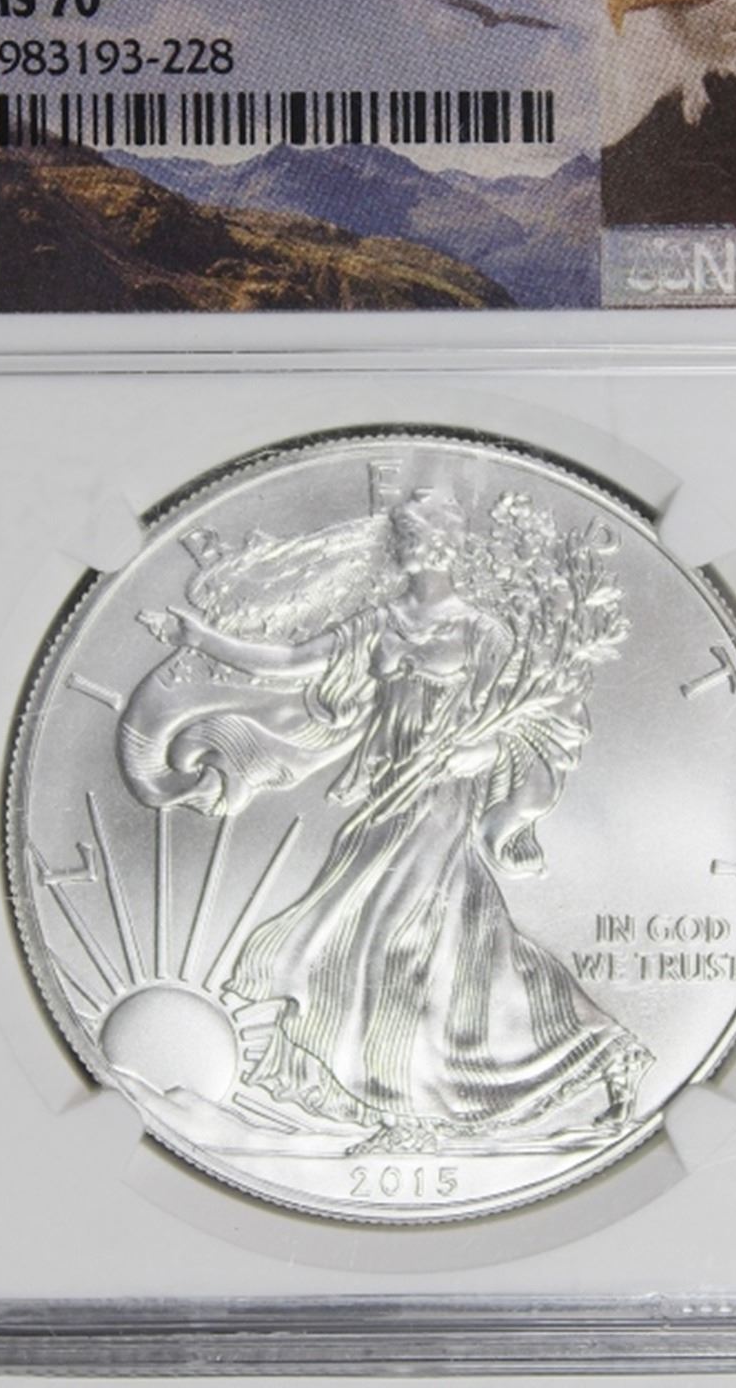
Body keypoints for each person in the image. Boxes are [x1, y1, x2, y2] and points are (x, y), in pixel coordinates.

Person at [120, 487, 651, 1150]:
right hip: (386, 794)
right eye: (409, 538)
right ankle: (603, 1049)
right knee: (451, 941)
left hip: (441, 796)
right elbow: (292, 664)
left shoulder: (483, 633)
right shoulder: (378, 622)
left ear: (450, 545)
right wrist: (202, 638)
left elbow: (525, 720)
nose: (419, 550)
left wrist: (484, 750)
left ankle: (409, 1114)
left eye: (429, 538)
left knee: (397, 938)